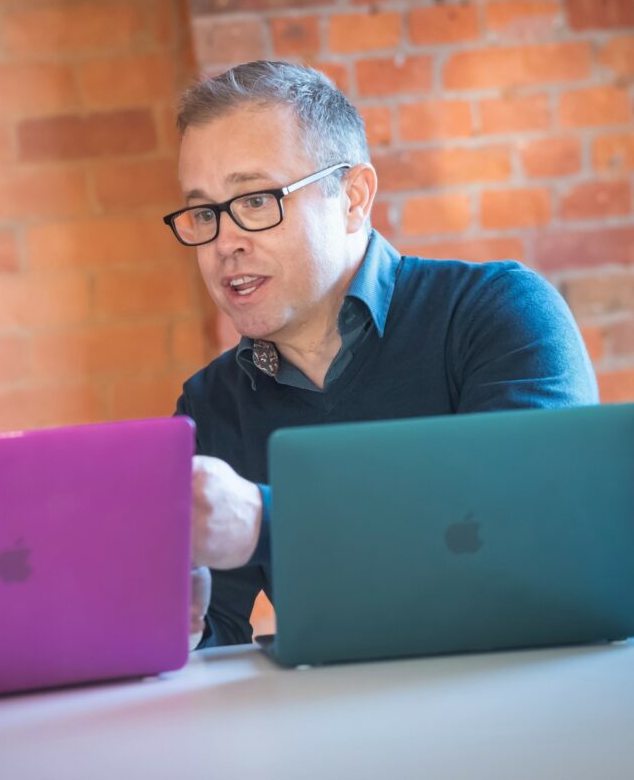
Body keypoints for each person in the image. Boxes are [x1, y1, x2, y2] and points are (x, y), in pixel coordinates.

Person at [164, 60, 599, 648]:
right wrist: (174, 626)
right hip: (336, 704)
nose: (224, 242)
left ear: (353, 197)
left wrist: (270, 520)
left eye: (256, 201)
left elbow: (527, 521)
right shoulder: (210, 404)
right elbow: (213, 630)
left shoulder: (498, 312)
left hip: (527, 690)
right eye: (203, 214)